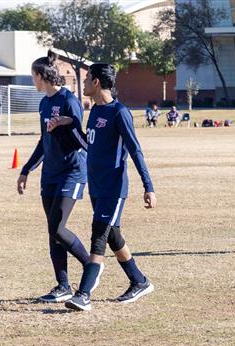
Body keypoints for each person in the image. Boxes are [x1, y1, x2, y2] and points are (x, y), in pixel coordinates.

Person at [65, 63, 156, 311]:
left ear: (96, 83)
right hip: (96, 187)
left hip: (113, 189)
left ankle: (83, 294)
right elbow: (89, 145)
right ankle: (139, 281)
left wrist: (148, 186)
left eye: (86, 80)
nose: (83, 84)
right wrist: (69, 126)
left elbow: (135, 150)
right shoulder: (95, 111)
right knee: (113, 236)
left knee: (98, 237)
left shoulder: (119, 112)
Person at [16, 50, 92, 303]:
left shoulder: (69, 101)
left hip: (71, 172)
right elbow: (43, 142)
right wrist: (26, 169)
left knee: (58, 227)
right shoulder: (43, 104)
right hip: (49, 174)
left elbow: (81, 141)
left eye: (32, 77)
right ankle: (63, 286)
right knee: (53, 231)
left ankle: (92, 266)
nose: (32, 81)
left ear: (41, 76)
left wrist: (66, 123)